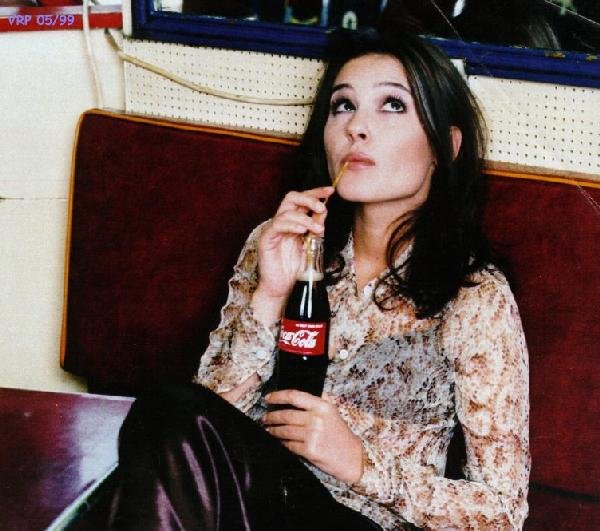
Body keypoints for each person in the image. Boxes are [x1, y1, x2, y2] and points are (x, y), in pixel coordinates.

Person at [109, 28, 530, 530]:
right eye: (343, 106)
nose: (357, 128)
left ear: (447, 146)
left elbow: (503, 512)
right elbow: (203, 434)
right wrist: (269, 295)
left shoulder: (474, 294)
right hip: (258, 506)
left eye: (393, 105)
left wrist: (360, 464)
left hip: (365, 524)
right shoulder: (279, 243)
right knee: (166, 409)